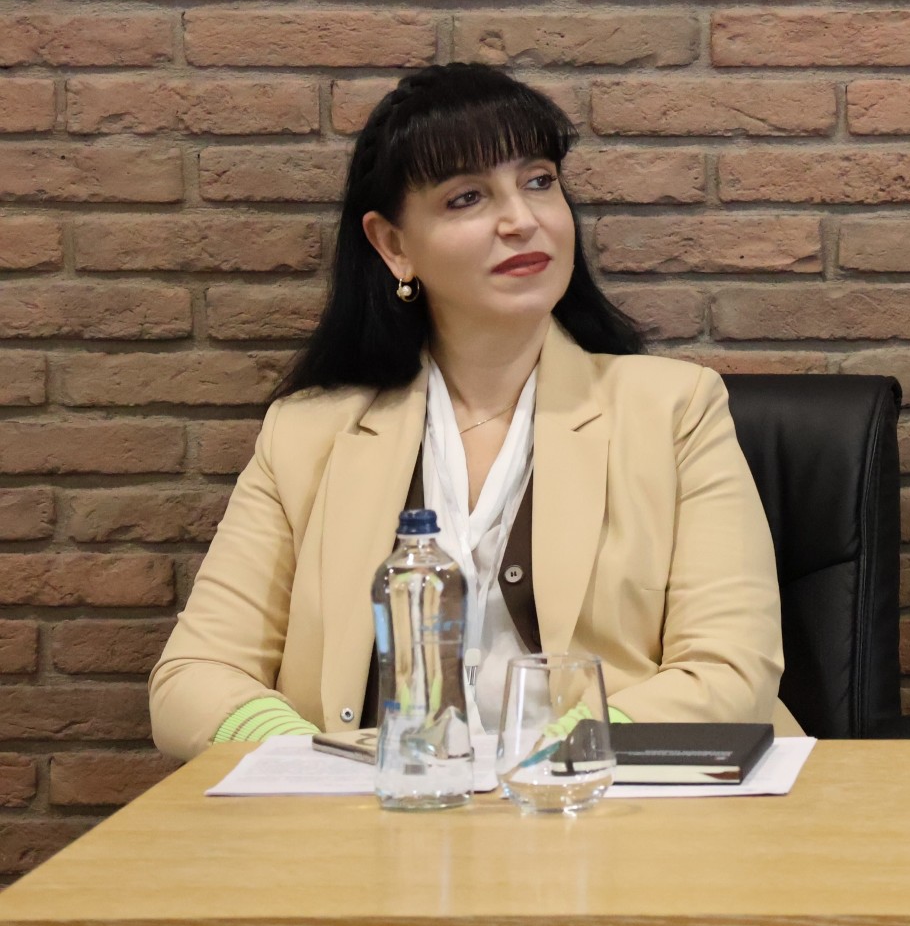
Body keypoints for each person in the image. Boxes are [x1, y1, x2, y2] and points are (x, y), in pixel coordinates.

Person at [150, 63, 800, 759]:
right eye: (467, 197)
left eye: (539, 181)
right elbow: (193, 679)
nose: (522, 220)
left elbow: (730, 671)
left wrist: (553, 755)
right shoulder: (306, 435)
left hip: (609, 801)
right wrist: (317, 767)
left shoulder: (675, 409)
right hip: (378, 813)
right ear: (393, 245)